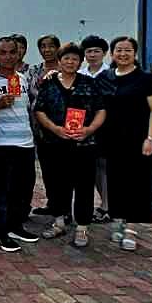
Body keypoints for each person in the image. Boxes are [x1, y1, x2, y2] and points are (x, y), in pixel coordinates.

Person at [34, 42, 106, 247]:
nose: (70, 62)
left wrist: (89, 129)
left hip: (84, 144)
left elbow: (101, 110)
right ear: (59, 61)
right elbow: (39, 111)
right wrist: (55, 129)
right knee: (57, 184)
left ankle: (82, 227)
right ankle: (58, 222)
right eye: (66, 58)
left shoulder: (89, 83)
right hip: (55, 144)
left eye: (75, 59)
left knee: (84, 186)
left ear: (80, 62)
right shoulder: (48, 84)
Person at [98, 36, 152, 251]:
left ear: (135, 53)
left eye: (127, 50)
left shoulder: (145, 79)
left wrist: (150, 138)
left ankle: (131, 227)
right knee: (115, 181)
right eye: (118, 50)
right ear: (112, 53)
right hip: (112, 138)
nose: (123, 54)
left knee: (137, 182)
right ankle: (118, 220)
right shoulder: (105, 77)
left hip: (138, 139)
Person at [0, 37, 39, 253]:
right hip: (0, 143)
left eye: (12, 52)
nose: (8, 56)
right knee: (1, 190)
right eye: (3, 53)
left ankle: (16, 226)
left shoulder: (23, 79)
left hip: (25, 142)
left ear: (19, 54)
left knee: (23, 189)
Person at [26, 34, 62, 217]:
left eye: (50, 46)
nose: (47, 50)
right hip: (38, 128)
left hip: (61, 127)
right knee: (46, 168)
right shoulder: (34, 71)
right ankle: (52, 203)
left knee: (62, 169)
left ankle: (63, 207)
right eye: (43, 47)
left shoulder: (65, 69)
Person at [78, 34, 111, 223]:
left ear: (104, 53)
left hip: (107, 126)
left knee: (106, 166)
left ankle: (107, 205)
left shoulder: (111, 74)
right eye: (89, 51)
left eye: (96, 51)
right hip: (85, 128)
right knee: (93, 168)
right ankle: (97, 205)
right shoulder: (81, 74)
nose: (92, 54)